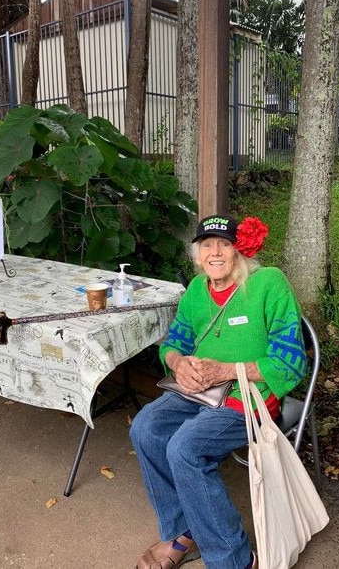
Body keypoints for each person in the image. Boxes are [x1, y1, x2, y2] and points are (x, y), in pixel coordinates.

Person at [130, 214, 307, 569]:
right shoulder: (196, 290)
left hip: (248, 395)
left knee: (185, 448)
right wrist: (179, 364)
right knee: (145, 428)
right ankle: (185, 532)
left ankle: (234, 559)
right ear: (196, 255)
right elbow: (173, 344)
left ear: (239, 249)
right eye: (206, 245)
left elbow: (292, 361)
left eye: (224, 244)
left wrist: (225, 370)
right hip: (197, 391)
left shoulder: (268, 283)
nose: (215, 252)